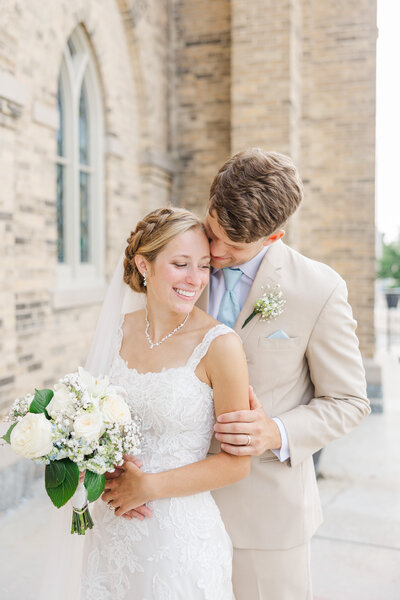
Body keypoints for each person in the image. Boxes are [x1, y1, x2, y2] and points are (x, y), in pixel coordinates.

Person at [192, 148, 369, 599]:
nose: (213, 253)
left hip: (266, 519)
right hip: (176, 509)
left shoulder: (320, 289)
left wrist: (274, 432)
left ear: (274, 237)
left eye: (233, 247)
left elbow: (349, 402)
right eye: (213, 232)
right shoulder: (176, 259)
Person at [79, 207, 251, 599]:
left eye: (204, 266)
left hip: (178, 545)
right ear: (144, 264)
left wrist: (149, 486)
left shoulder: (220, 346)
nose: (195, 279)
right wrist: (100, 468)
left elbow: (237, 463)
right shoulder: (114, 331)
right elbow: (86, 422)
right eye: (180, 264)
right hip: (111, 532)